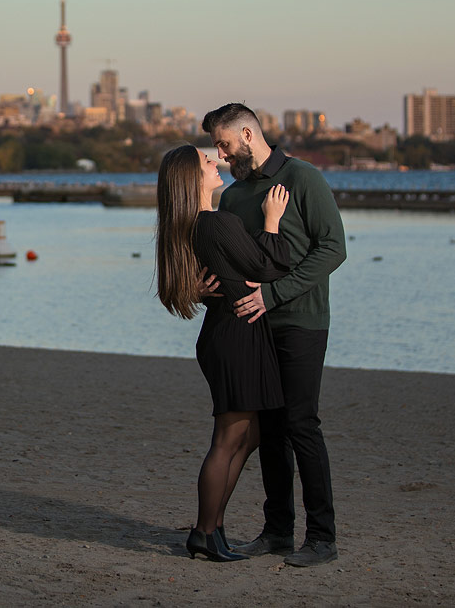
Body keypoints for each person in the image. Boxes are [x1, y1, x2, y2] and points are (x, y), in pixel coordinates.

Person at [202, 102, 346, 567]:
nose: (221, 155)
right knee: (270, 431)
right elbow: (235, 265)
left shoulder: (303, 178)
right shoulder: (233, 197)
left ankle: (322, 538)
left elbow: (333, 249)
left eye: (224, 144)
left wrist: (274, 294)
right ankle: (278, 531)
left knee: (302, 425)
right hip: (252, 327)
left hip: (302, 321)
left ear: (247, 135)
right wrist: (206, 288)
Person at [155, 144, 292, 562]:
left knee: (248, 435)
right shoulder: (215, 223)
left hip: (229, 334)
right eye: (206, 163)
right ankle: (204, 531)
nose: (216, 164)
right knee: (228, 438)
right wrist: (271, 221)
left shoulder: (193, 226)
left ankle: (212, 527)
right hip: (234, 335)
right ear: (191, 180)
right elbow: (270, 268)